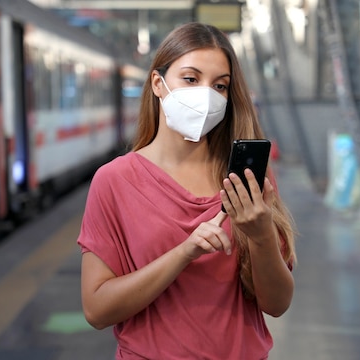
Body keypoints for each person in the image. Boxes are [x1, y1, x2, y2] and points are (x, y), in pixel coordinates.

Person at [77, 22, 296, 359]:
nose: (206, 95)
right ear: (158, 84)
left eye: (220, 86)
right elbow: (97, 309)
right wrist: (184, 252)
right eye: (191, 79)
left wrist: (262, 235)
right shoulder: (115, 181)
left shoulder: (246, 178)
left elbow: (277, 304)